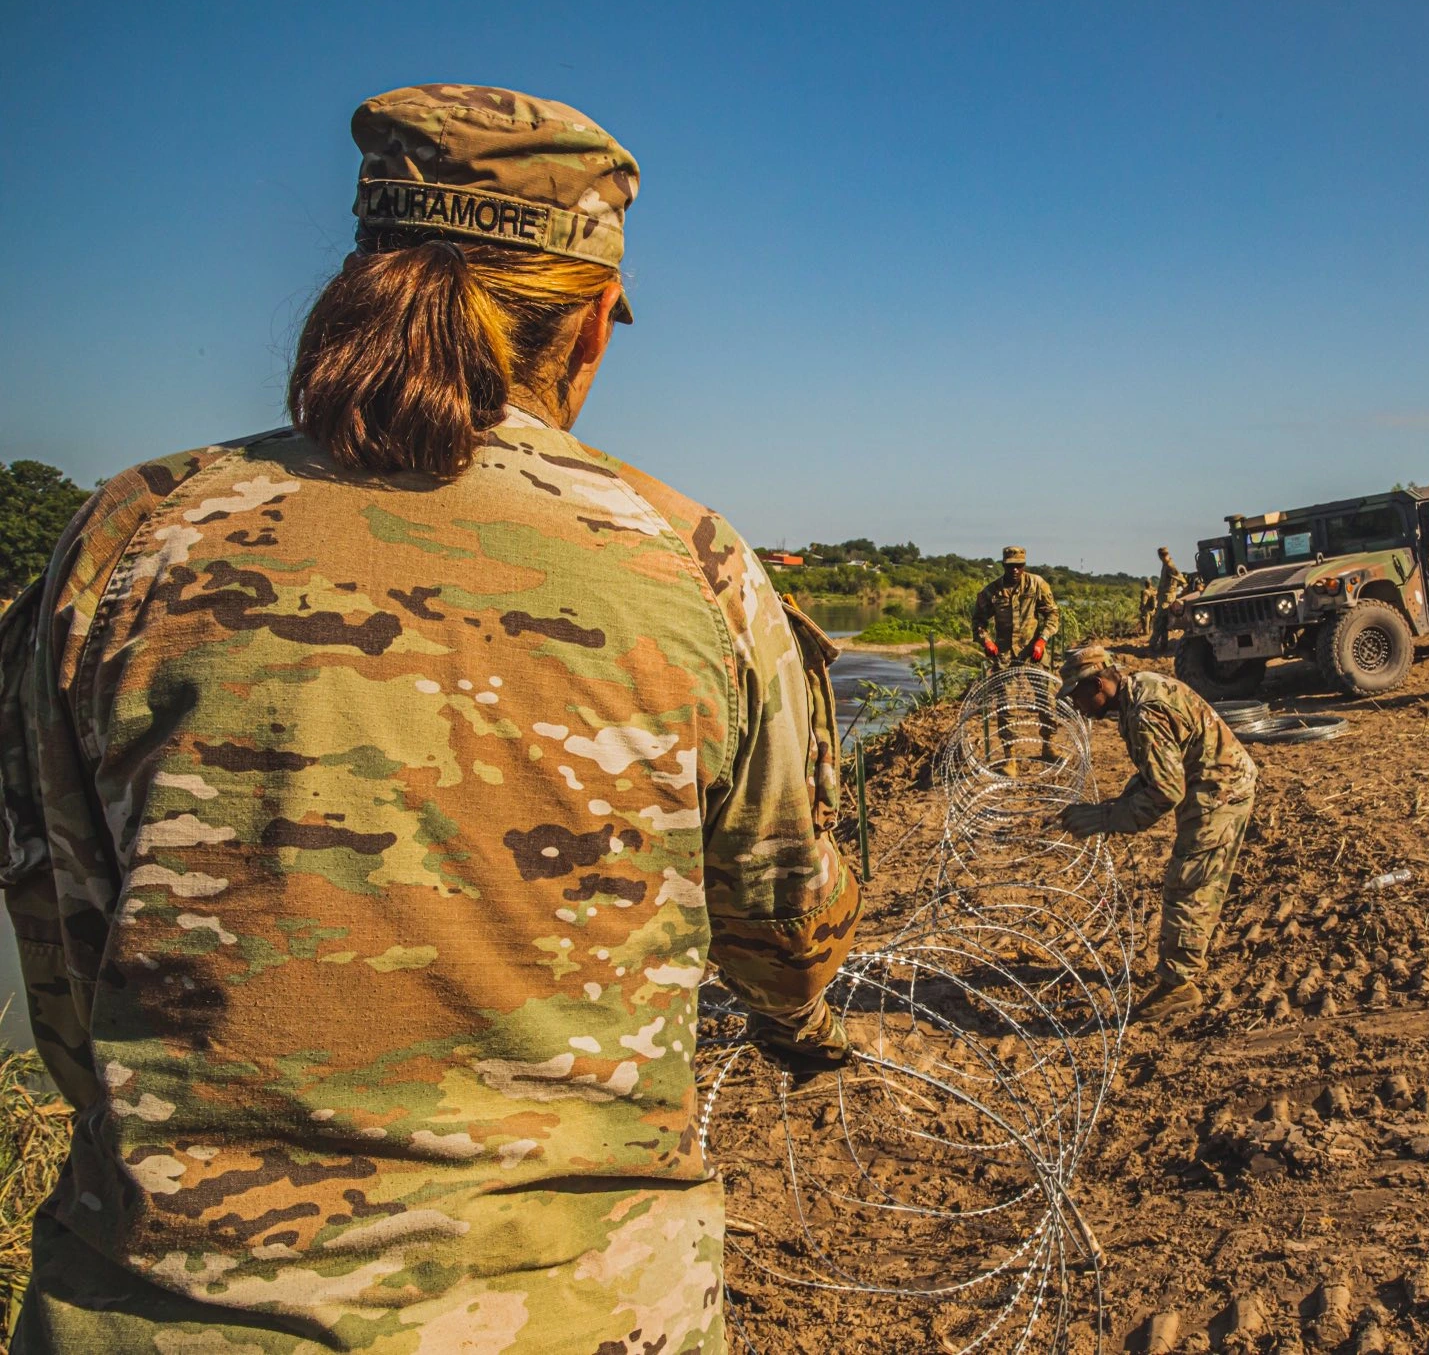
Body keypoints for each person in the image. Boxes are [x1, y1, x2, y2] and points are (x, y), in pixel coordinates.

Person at [0, 84, 858, 1355]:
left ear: (362, 280)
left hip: (161, 1315)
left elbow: (58, 920)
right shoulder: (692, 563)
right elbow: (781, 925)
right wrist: (805, 1027)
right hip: (573, 1313)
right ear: (586, 329)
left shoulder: (132, 534)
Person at [1053, 646, 1257, 1022]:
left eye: (1078, 696)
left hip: (1219, 789)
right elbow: (1156, 772)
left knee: (1188, 883)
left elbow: (1165, 791)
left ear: (1099, 683)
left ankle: (1179, 985)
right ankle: (1186, 964)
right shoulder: (1139, 690)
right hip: (1210, 781)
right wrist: (1116, 806)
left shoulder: (1144, 712)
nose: (1078, 707)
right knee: (1195, 879)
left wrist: (1105, 818)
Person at [971, 545, 1061, 668]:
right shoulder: (991, 591)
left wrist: (1042, 640)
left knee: (1045, 685)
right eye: (1010, 566)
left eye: (1019, 566)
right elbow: (978, 620)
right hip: (1004, 657)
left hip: (1033, 653)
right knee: (1001, 686)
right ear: (1003, 565)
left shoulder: (1036, 584)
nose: (1015, 570)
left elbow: (1052, 613)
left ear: (1024, 565)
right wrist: (986, 641)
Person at [1148, 545, 1185, 653]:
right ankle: (1163, 646)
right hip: (1164, 597)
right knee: (1163, 623)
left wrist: (1174, 589)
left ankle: (1152, 646)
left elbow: (1181, 578)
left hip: (1166, 599)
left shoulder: (1170, 566)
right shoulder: (1166, 565)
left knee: (1158, 622)